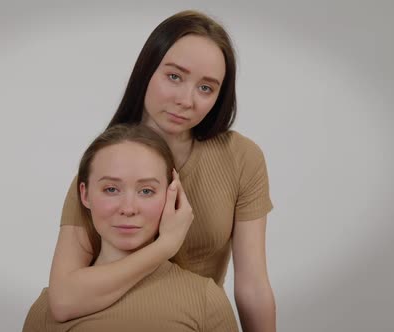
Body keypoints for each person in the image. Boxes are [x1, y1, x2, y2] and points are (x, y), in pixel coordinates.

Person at [48, 10, 275, 331]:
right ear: (146, 71)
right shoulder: (104, 168)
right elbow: (64, 300)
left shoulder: (241, 158)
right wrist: (165, 247)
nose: (186, 100)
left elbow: (252, 285)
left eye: (206, 88)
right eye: (174, 77)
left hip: (197, 321)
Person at [23, 124, 239, 331]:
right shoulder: (47, 309)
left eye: (146, 191)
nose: (128, 208)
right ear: (85, 195)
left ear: (172, 195)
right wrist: (165, 245)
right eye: (111, 189)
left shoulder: (206, 300)